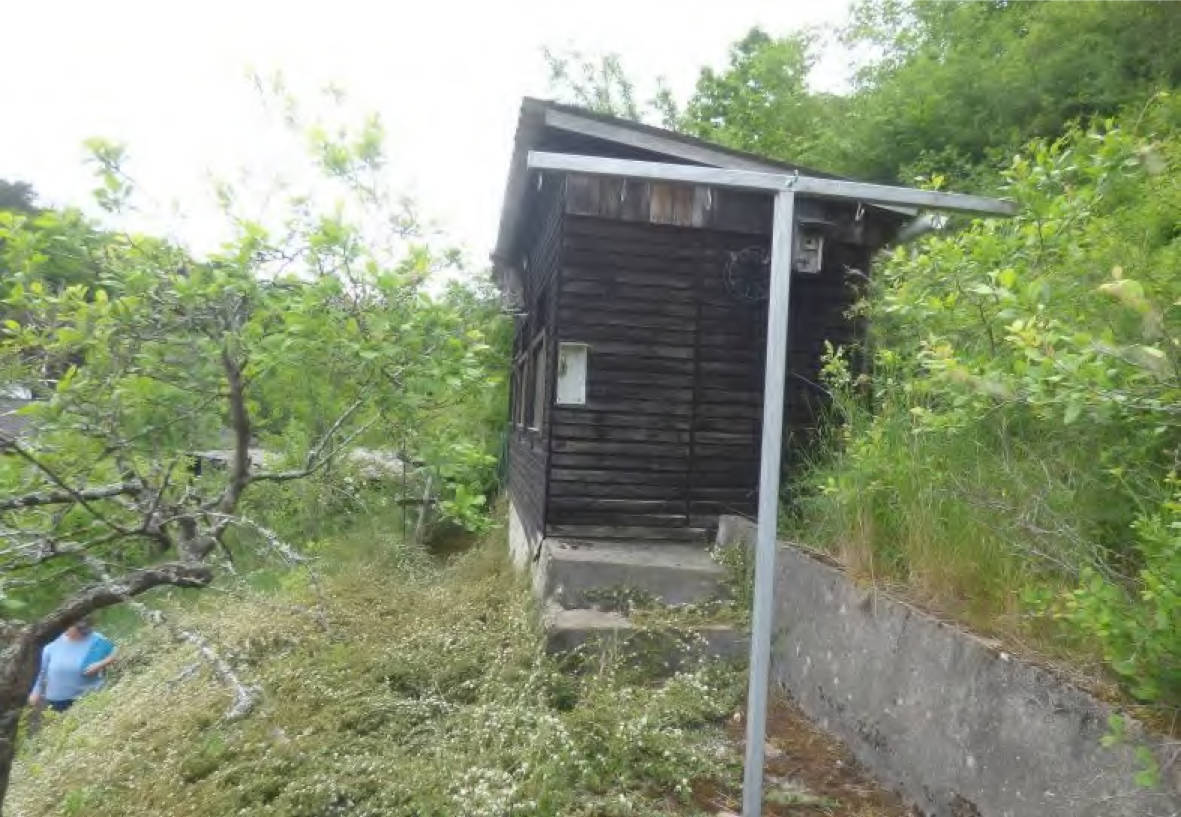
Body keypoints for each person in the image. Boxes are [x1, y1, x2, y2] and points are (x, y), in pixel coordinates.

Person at [27, 618, 117, 713]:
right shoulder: (53, 641)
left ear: (80, 627)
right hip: (57, 700)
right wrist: (35, 691)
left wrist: (100, 664)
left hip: (88, 697)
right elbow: (41, 670)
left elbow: (116, 652)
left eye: (68, 626)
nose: (63, 629)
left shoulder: (97, 639)